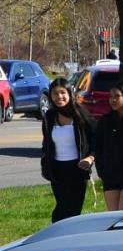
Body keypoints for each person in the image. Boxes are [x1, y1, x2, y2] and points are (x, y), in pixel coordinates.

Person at [39, 78, 97, 222]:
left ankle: (69, 240)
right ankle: (57, 239)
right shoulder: (49, 117)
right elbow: (46, 143)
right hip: (57, 170)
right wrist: (45, 163)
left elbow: (97, 139)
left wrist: (90, 158)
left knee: (73, 210)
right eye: (55, 94)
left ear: (69, 94)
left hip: (77, 169)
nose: (59, 97)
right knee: (61, 208)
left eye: (62, 93)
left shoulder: (80, 114)